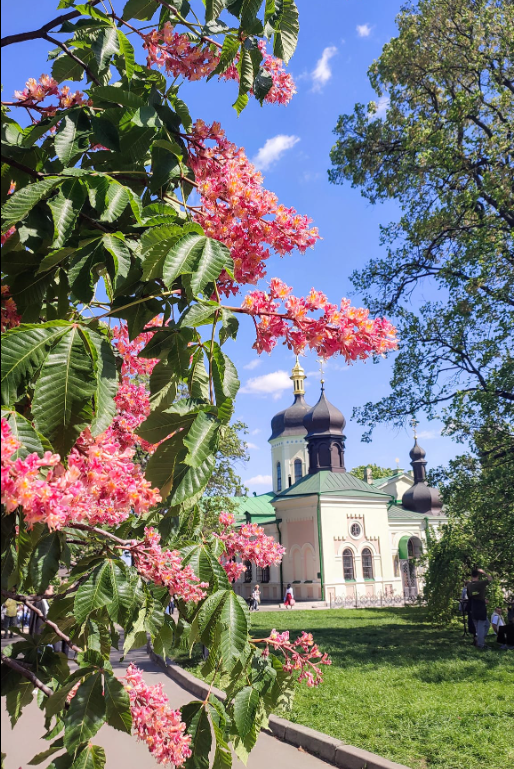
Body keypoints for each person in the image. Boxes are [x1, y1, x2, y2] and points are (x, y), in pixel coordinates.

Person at [466, 568, 492, 649]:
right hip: (480, 607)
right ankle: (481, 645)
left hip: (473, 606)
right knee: (481, 626)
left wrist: (482, 599)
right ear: (478, 575)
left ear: (471, 575)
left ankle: (478, 638)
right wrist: (484, 572)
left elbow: (472, 595)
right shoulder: (481, 583)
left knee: (486, 624)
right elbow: (490, 579)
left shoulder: (469, 585)